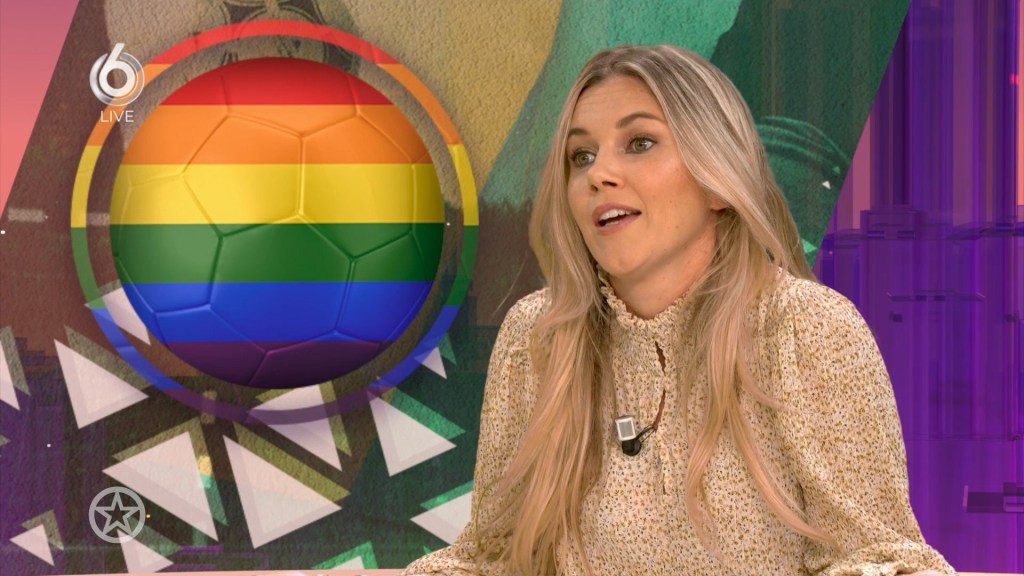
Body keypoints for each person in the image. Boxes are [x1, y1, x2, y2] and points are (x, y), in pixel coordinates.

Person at [403, 45, 954, 576]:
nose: (598, 174)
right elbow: (492, 560)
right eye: (581, 156)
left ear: (718, 180)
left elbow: (875, 558)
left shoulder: (808, 329)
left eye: (639, 142)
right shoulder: (539, 335)